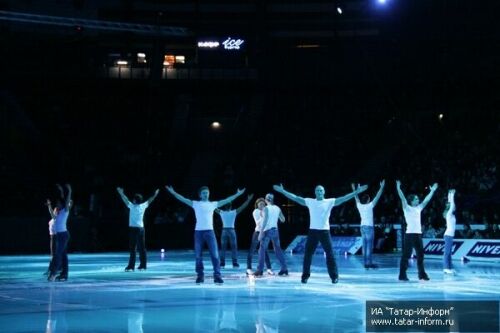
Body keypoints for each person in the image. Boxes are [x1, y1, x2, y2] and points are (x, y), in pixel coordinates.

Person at [273, 183, 367, 284]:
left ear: (324, 192)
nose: (319, 192)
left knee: (330, 254)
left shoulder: (329, 201)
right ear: (315, 192)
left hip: (324, 232)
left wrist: (356, 192)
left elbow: (343, 198)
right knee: (308, 255)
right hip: (313, 231)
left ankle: (334, 277)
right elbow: (295, 198)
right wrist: (283, 191)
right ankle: (305, 276)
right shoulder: (310, 201)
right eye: (317, 190)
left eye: (321, 190)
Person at [166, 185, 245, 284]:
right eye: (203, 193)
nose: (206, 194)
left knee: (215, 255)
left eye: (207, 192)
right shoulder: (196, 204)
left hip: (210, 232)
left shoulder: (213, 204)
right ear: (200, 195)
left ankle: (217, 276)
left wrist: (237, 194)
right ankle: (200, 276)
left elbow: (227, 199)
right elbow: (182, 199)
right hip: (198, 232)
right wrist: (173, 192)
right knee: (198, 256)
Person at [396, 180, 438, 281]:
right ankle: (402, 274)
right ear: (411, 201)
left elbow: (426, 200)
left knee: (421, 255)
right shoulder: (407, 208)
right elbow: (402, 198)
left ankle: (422, 274)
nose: (418, 200)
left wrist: (432, 191)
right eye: (416, 199)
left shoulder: (418, 208)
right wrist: (398, 188)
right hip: (409, 235)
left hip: (418, 234)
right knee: (406, 255)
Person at [117, 187, 159, 271]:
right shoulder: (143, 206)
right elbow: (151, 199)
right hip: (141, 229)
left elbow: (125, 199)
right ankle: (143, 265)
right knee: (141, 248)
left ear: (135, 200)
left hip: (134, 230)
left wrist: (121, 193)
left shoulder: (132, 206)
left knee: (133, 248)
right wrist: (155, 194)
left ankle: (131, 266)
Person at [352, 180, 385, 269]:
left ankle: (366, 263)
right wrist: (381, 187)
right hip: (369, 227)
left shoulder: (359, 205)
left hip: (362, 227)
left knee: (365, 244)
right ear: (368, 200)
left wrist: (354, 189)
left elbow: (356, 197)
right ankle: (368, 263)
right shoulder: (370, 205)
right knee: (369, 246)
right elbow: (378, 196)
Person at [253, 193, 288, 277]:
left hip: (267, 231)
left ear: (265, 200)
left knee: (261, 250)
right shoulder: (277, 208)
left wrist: (261, 233)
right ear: (272, 199)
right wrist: (275, 218)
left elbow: (264, 221)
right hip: (275, 231)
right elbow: (283, 220)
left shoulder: (266, 208)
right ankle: (284, 269)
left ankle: (260, 270)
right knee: (278, 250)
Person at [215, 194, 254, 268]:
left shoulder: (222, 212)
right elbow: (243, 206)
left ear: (224, 206)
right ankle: (234, 263)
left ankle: (222, 263)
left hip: (224, 231)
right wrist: (248, 200)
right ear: (231, 206)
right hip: (231, 230)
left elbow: (213, 208)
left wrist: (207, 203)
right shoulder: (233, 212)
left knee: (223, 247)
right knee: (234, 247)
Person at [48, 184, 72, 282]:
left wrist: (69, 191)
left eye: (58, 203)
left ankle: (53, 274)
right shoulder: (57, 213)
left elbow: (66, 201)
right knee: (63, 255)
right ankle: (64, 275)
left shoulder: (65, 211)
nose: (57, 205)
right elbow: (52, 215)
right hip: (59, 236)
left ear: (61, 205)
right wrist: (49, 205)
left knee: (58, 254)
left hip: (63, 235)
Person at [247, 197, 273, 276]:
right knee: (252, 250)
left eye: (263, 204)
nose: (262, 205)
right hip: (257, 232)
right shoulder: (256, 211)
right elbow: (257, 222)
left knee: (264, 251)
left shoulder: (266, 211)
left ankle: (269, 268)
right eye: (260, 204)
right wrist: (263, 216)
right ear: (257, 205)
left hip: (264, 232)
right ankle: (249, 268)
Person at [443, 189, 456, 274]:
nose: (454, 207)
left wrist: (450, 194)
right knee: (447, 252)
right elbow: (452, 205)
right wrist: (452, 195)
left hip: (450, 235)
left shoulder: (451, 214)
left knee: (449, 253)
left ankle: (450, 268)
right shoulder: (448, 214)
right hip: (448, 235)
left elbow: (451, 204)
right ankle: (446, 268)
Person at [44, 199, 59, 276]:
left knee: (53, 255)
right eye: (55, 210)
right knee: (53, 254)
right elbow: (51, 213)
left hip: (55, 237)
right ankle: (53, 268)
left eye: (56, 210)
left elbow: (51, 212)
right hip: (52, 237)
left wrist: (49, 205)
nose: (54, 211)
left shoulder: (56, 218)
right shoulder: (54, 218)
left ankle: (52, 269)